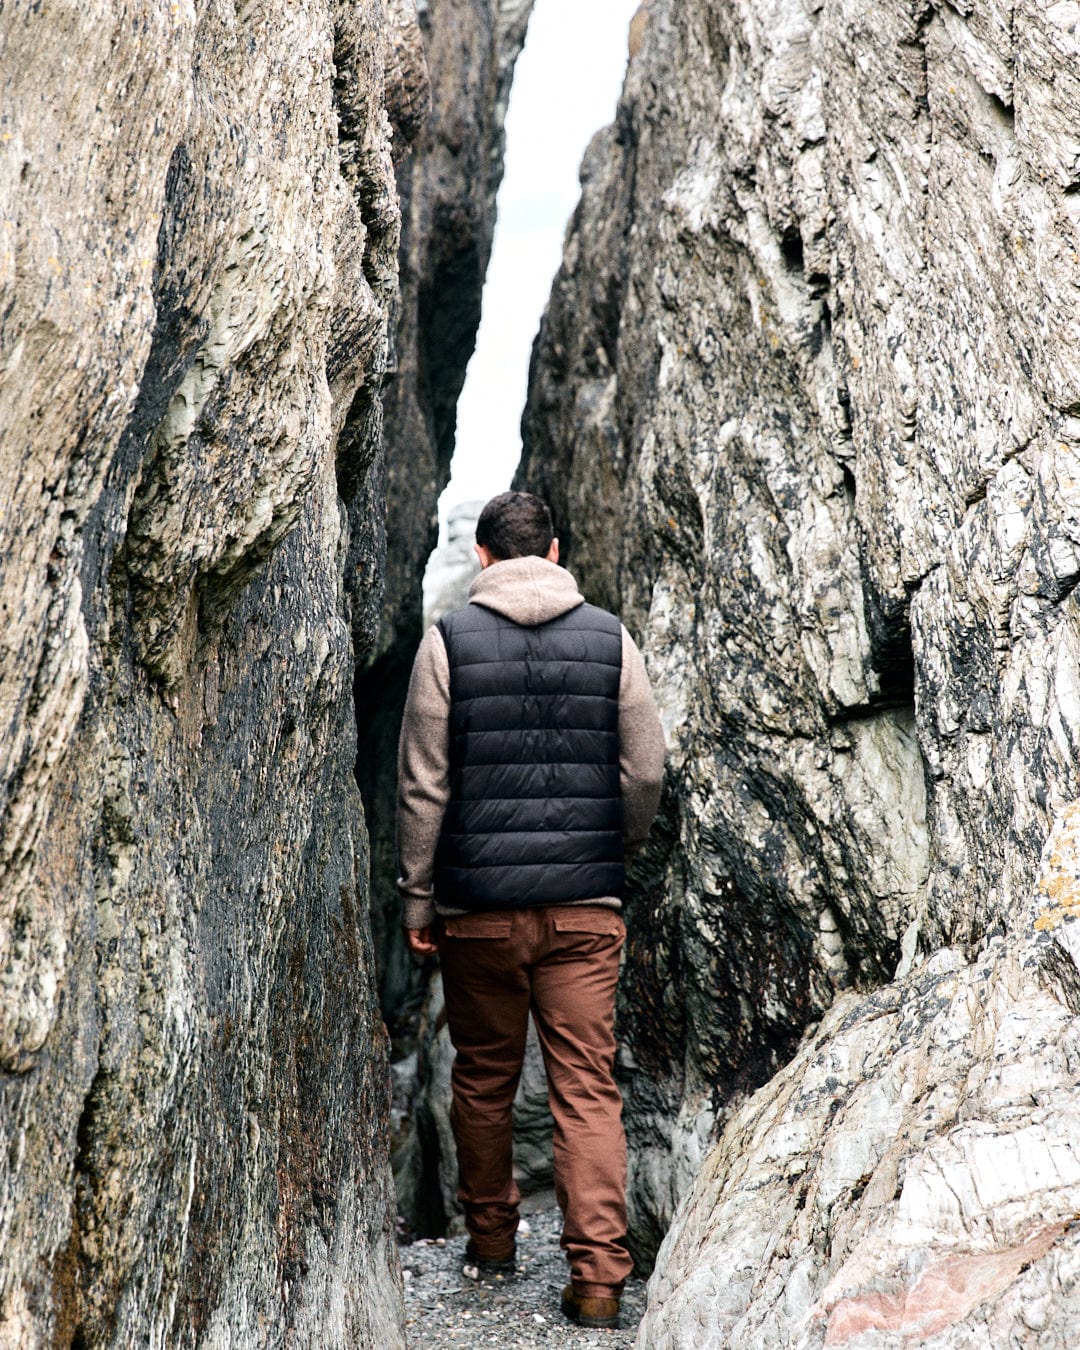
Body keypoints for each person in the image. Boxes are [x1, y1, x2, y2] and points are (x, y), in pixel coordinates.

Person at [396, 490, 665, 1329]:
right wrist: (612, 850)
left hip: (478, 910)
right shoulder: (611, 637)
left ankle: (490, 1242)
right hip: (586, 910)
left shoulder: (448, 644)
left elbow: (422, 784)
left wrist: (417, 894)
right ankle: (597, 1282)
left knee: (482, 1081)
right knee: (586, 1088)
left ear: (481, 558)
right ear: (552, 551)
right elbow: (646, 771)